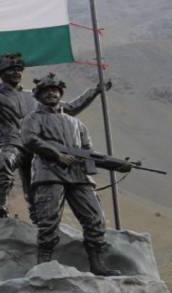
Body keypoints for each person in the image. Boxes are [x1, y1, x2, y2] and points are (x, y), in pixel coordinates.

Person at [0, 53, 110, 219]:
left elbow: (70, 107)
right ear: (0, 73)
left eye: (19, 69)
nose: (16, 73)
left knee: (35, 189)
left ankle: (39, 221)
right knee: (3, 160)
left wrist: (95, 91)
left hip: (36, 148)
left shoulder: (35, 97)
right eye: (10, 70)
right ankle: (1, 204)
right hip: (10, 143)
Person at [21, 74, 130, 276]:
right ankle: (43, 265)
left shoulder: (77, 124)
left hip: (79, 176)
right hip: (49, 173)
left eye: (55, 90)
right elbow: (29, 140)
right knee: (49, 221)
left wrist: (117, 164)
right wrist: (57, 155)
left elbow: (89, 151)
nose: (52, 93)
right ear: (38, 96)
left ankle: (98, 264)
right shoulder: (33, 119)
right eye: (46, 90)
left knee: (95, 219)